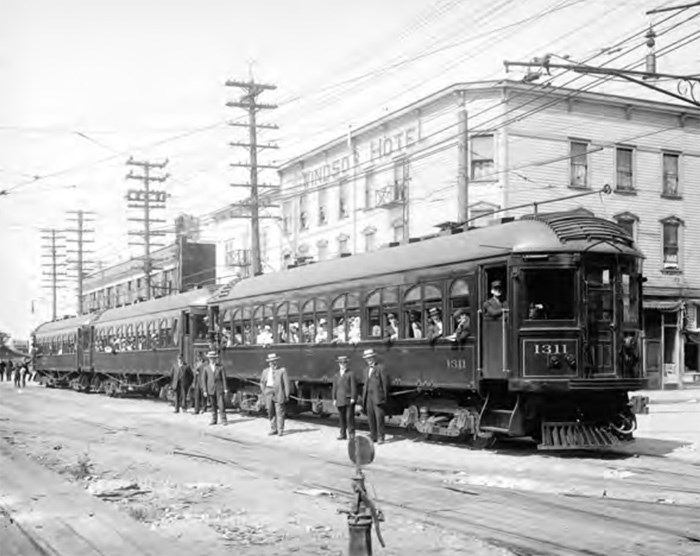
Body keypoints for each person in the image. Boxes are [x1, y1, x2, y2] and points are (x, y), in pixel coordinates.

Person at [361, 349, 388, 444]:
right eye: (367, 358)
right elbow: (365, 384)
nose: (369, 360)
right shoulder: (365, 370)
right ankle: (373, 436)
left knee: (379, 417)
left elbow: (384, 384)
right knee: (370, 417)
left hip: (377, 396)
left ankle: (381, 437)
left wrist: (384, 397)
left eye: (370, 358)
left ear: (373, 357)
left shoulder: (380, 368)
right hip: (368, 396)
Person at [259, 353, 290, 436]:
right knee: (270, 411)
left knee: (280, 412)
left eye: (274, 361)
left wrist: (287, 394)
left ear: (277, 361)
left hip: (279, 392)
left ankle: (280, 430)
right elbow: (262, 383)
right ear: (268, 363)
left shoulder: (282, 370)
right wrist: (264, 392)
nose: (272, 363)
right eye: (271, 362)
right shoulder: (265, 371)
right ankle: (273, 429)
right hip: (268, 392)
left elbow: (286, 384)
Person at [331, 355, 357, 440]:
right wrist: (334, 398)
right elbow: (334, 388)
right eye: (341, 363)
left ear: (347, 363)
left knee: (350, 417)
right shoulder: (336, 375)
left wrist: (353, 397)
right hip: (339, 399)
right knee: (341, 417)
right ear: (339, 364)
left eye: (344, 363)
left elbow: (353, 386)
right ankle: (342, 434)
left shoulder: (351, 374)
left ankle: (351, 434)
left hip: (348, 399)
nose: (343, 365)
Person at [203, 350, 228, 425]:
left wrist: (225, 388)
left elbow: (224, 378)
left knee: (221, 405)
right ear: (209, 359)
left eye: (213, 358)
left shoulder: (220, 367)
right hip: (210, 389)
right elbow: (204, 380)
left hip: (219, 388)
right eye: (211, 358)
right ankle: (214, 419)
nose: (212, 360)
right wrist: (205, 390)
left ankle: (223, 420)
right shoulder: (206, 368)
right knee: (213, 405)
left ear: (215, 359)